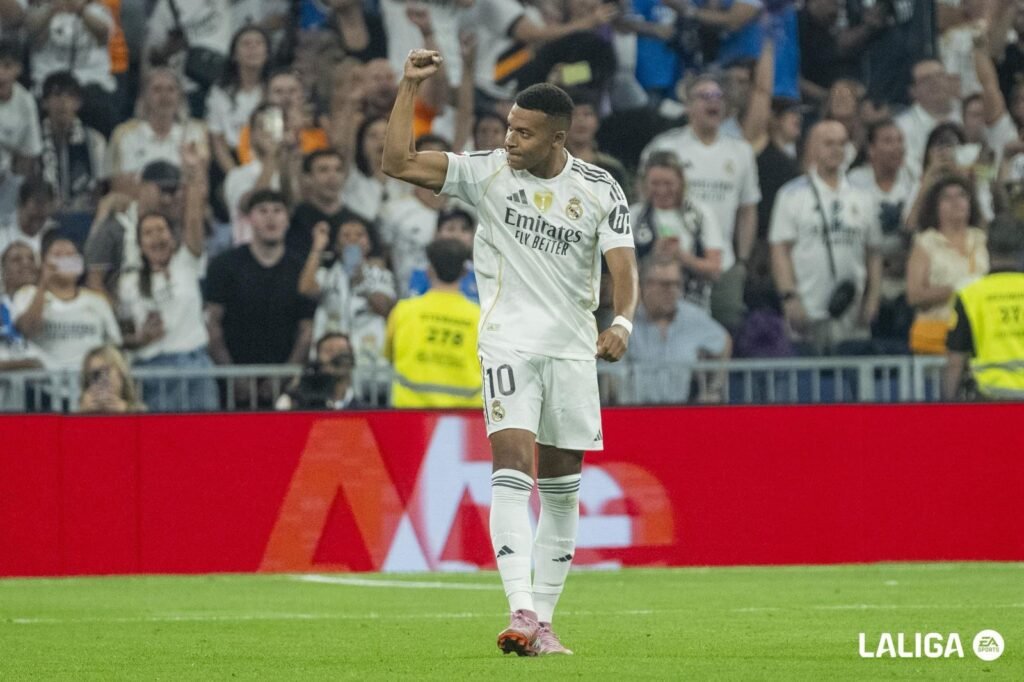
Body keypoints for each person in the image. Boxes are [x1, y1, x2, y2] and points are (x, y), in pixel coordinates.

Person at [383, 51, 638, 656]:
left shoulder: (599, 188)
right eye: (508, 128)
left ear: (558, 136)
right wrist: (410, 86)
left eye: (524, 132)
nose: (510, 140)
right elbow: (397, 161)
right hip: (507, 343)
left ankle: (543, 623)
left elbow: (623, 265)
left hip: (572, 349)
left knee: (563, 489)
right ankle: (520, 608)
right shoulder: (487, 172)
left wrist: (622, 322)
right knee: (512, 465)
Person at [641, 74, 760, 332]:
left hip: (723, 263)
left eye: (718, 96)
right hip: (675, 264)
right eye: (704, 96)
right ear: (688, 106)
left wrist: (742, 260)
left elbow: (748, 209)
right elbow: (646, 199)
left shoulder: (741, 152)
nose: (713, 102)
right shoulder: (666, 147)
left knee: (726, 332)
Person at [116, 147, 217, 412]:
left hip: (195, 367)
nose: (156, 237)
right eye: (148, 233)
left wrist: (193, 174)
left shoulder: (186, 263)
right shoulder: (128, 283)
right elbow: (122, 337)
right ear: (140, 245)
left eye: (161, 230)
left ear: (172, 238)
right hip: (151, 370)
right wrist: (142, 338)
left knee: (205, 435)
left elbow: (193, 219)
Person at [769, 120, 883, 355]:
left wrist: (872, 299)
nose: (836, 150)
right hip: (806, 309)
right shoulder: (791, 195)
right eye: (828, 143)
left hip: (852, 313)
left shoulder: (864, 197)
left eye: (841, 143)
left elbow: (874, 252)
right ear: (812, 148)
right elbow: (779, 250)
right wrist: (789, 297)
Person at [204, 189, 316, 408]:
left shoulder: (302, 270)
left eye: (277, 210)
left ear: (287, 219)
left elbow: (306, 330)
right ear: (249, 219)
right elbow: (213, 324)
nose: (270, 217)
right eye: (262, 211)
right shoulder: (223, 265)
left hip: (285, 387)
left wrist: (284, 377)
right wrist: (233, 376)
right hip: (232, 386)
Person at [384, 238, 481, 408]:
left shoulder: (403, 311)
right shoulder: (479, 317)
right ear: (465, 272)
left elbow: (388, 356)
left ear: (429, 270)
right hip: (468, 413)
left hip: (409, 411)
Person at [626, 254, 731, 404]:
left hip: (679, 411)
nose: (672, 290)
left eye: (677, 284)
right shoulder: (628, 320)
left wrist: (713, 389)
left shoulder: (692, 318)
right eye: (665, 285)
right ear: (645, 286)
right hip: (634, 411)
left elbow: (724, 341)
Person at [13, 231, 121, 375]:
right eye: (57, 255)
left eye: (70, 255)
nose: (64, 260)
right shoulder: (27, 294)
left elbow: (114, 345)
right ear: (43, 262)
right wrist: (43, 283)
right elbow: (27, 330)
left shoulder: (98, 301)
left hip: (89, 381)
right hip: (45, 382)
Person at [630, 151, 724, 311]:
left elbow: (715, 270)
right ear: (645, 183)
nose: (662, 190)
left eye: (668, 184)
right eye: (655, 184)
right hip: (643, 308)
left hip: (692, 305)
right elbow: (619, 272)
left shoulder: (700, 215)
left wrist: (683, 257)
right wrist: (652, 256)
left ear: (681, 182)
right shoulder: (633, 216)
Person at [943, 214, 1024, 400]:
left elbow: (955, 361)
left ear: (987, 247)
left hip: (990, 399)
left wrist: (947, 406)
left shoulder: (970, 295)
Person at [905, 175, 989, 355]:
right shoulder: (925, 242)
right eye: (947, 198)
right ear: (935, 207)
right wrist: (958, 289)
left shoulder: (982, 239)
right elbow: (914, 295)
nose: (955, 202)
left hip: (980, 333)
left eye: (961, 196)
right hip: (936, 337)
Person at [85, 159, 184, 298]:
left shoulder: (175, 229)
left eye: (173, 192)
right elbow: (94, 282)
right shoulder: (113, 227)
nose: (167, 199)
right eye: (163, 191)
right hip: (124, 304)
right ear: (143, 187)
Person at [105, 68, 208, 193]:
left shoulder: (195, 132)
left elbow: (200, 185)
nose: (165, 96)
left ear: (180, 96)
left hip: (180, 199)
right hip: (138, 200)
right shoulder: (125, 134)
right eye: (157, 89)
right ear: (145, 97)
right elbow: (119, 185)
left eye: (171, 89)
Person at [38, 72, 107, 215]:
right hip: (43, 215)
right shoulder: (34, 139)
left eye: (70, 96)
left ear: (78, 103)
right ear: (44, 102)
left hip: (84, 215)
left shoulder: (94, 140)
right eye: (57, 95)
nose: (63, 102)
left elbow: (99, 186)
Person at [0, 38, 43, 227]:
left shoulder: (25, 102)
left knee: (21, 183)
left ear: (18, 69)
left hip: (6, 179)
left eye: (7, 66)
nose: (0, 73)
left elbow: (30, 154)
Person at [275, 332, 363, 410]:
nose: (337, 356)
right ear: (317, 359)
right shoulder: (295, 404)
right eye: (330, 351)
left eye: (342, 351)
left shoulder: (364, 410)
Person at [407, 206, 478, 302]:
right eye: (450, 229)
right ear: (437, 234)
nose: (457, 235)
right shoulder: (421, 272)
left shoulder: (480, 274)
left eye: (464, 229)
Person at [78, 343, 144, 413]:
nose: (101, 380)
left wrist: (127, 411)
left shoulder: (138, 411)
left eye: (106, 371)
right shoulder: (83, 408)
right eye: (95, 375)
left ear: (120, 374)